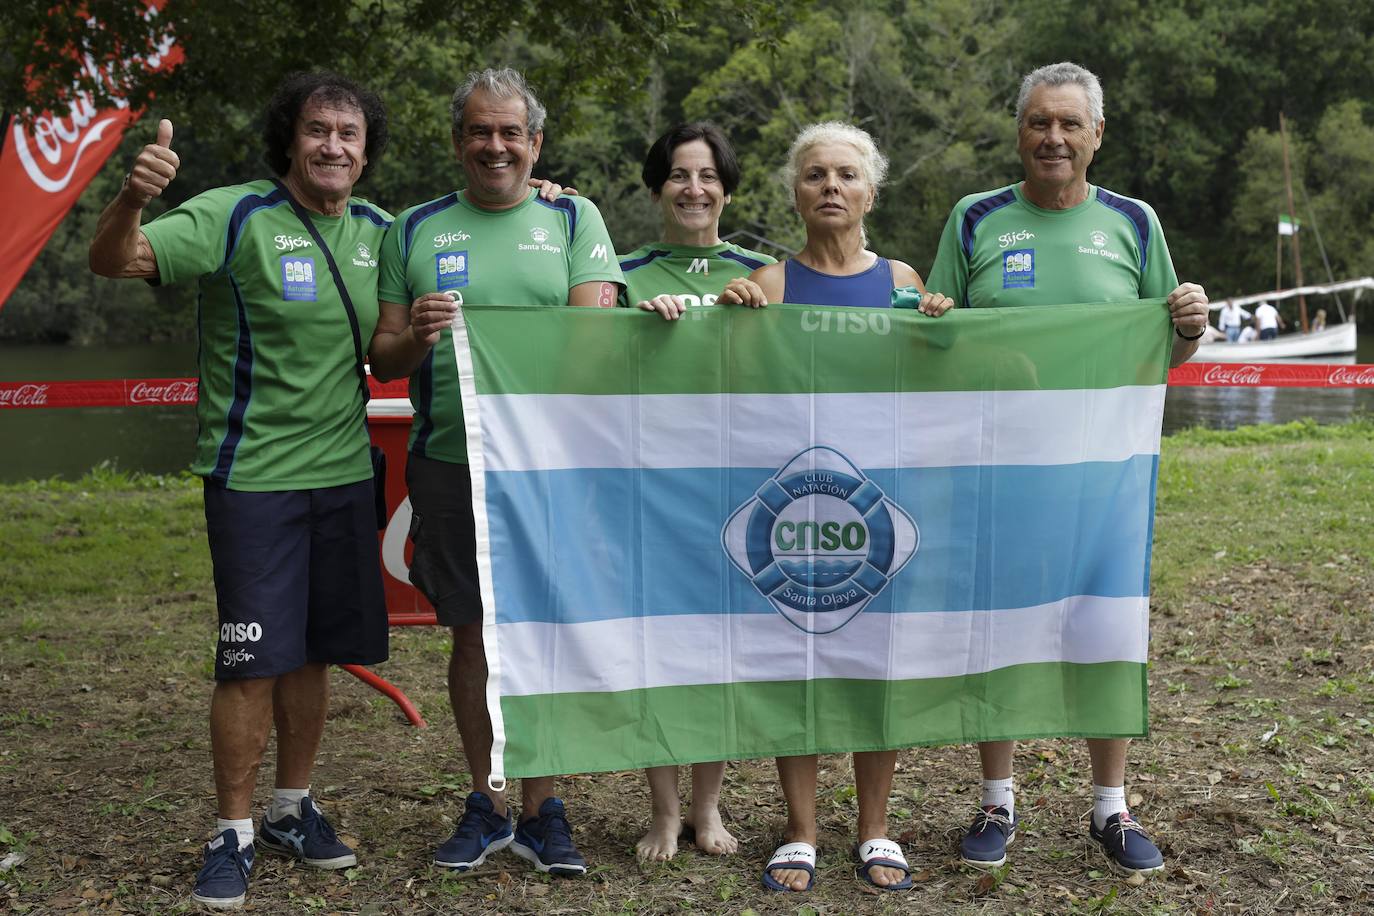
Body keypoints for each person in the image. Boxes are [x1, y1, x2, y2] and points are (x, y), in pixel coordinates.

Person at [88, 72, 394, 909]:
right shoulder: (234, 214)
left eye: (349, 134)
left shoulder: (379, 231)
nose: (333, 145)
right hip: (254, 481)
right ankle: (232, 831)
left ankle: (293, 809)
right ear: (290, 139)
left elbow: (451, 262)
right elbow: (115, 259)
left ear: (367, 153)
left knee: (314, 651)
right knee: (252, 659)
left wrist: (542, 193)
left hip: (342, 477)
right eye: (317, 130)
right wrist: (131, 197)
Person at [926, 61, 1209, 879]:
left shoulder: (1133, 220)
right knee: (1001, 626)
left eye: (1069, 124)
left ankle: (1110, 807)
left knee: (1105, 626)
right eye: (1038, 122)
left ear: (1096, 135)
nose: (1053, 137)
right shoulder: (974, 218)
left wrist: (1190, 322)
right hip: (999, 467)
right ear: (1019, 132)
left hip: (1103, 472)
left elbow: (1171, 349)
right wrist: (938, 317)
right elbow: (939, 340)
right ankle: (995, 797)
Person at [368, 67, 623, 879]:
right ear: (457, 142)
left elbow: (595, 334)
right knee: (473, 633)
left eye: (511, 132)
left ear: (536, 143)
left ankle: (546, 808)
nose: (495, 145)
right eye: (480, 131)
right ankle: (487, 799)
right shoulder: (411, 228)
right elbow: (383, 353)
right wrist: (420, 337)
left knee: (540, 633)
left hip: (548, 466)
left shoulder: (574, 215)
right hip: (450, 461)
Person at [737, 122, 950, 894]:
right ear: (795, 191)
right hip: (794, 501)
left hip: (878, 501)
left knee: (875, 664)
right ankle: (800, 832)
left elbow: (931, 383)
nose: (831, 186)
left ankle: (874, 828)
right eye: (815, 174)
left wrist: (939, 326)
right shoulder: (768, 282)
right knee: (798, 659)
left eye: (846, 175)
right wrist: (731, 323)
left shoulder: (900, 277)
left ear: (871, 190)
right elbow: (728, 387)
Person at [615, 122, 772, 860]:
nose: (694, 189)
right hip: (650, 489)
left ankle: (708, 810)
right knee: (658, 652)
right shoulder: (622, 271)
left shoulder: (764, 271)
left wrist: (758, 318)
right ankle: (661, 811)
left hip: (737, 490)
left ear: (727, 189)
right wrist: (632, 329)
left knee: (718, 654)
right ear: (656, 189)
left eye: (708, 176)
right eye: (679, 175)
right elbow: (584, 361)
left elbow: (795, 365)